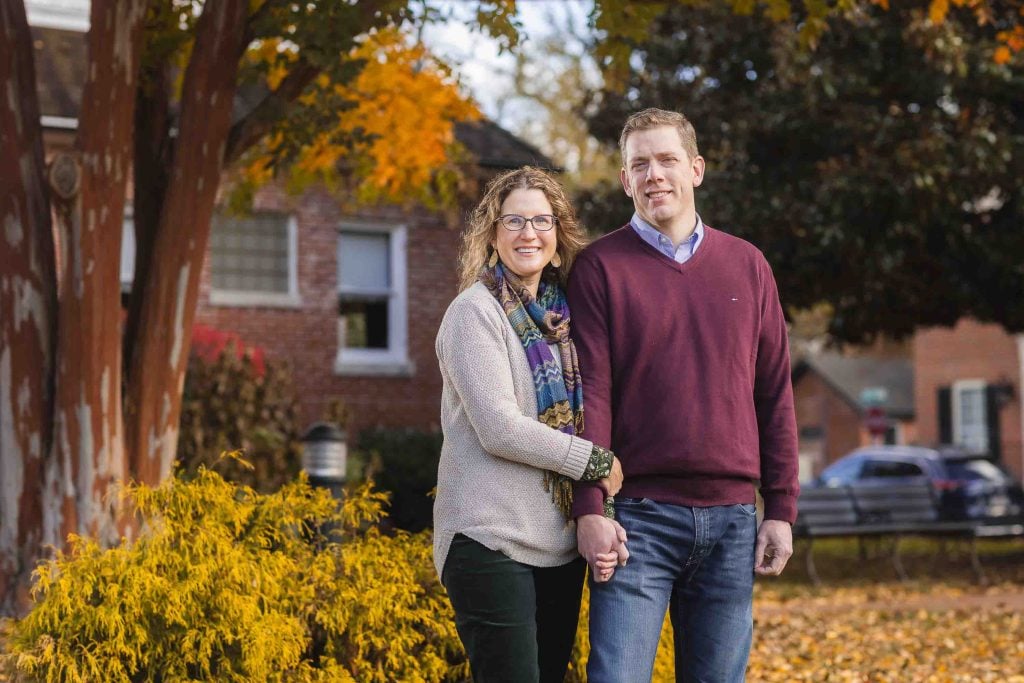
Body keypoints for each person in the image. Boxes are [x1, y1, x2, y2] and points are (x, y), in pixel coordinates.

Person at [568, 108, 800, 682]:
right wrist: (590, 508)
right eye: (639, 164)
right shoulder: (599, 268)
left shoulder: (748, 265)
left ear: (696, 169)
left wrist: (782, 509)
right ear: (625, 180)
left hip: (732, 521)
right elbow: (590, 394)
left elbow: (774, 393)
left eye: (667, 160)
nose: (655, 175)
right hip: (636, 523)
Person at [433, 166, 625, 682]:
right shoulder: (474, 313)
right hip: (487, 539)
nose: (528, 234)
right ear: (492, 235)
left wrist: (599, 506)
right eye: (513, 221)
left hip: (558, 547)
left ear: (558, 236)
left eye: (541, 221)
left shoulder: (569, 320)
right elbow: (498, 426)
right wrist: (595, 462)